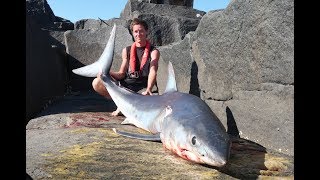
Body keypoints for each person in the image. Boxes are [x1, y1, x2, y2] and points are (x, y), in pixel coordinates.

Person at [92, 18, 160, 116]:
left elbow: (153, 71)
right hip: (126, 85)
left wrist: (149, 88)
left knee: (149, 99)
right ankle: (121, 104)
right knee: (97, 82)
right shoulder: (126, 50)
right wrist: (107, 73)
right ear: (133, 33)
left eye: (141, 31)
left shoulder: (154, 51)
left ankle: (126, 106)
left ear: (146, 31)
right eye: (136, 31)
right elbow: (121, 74)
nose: (138, 34)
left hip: (142, 87)